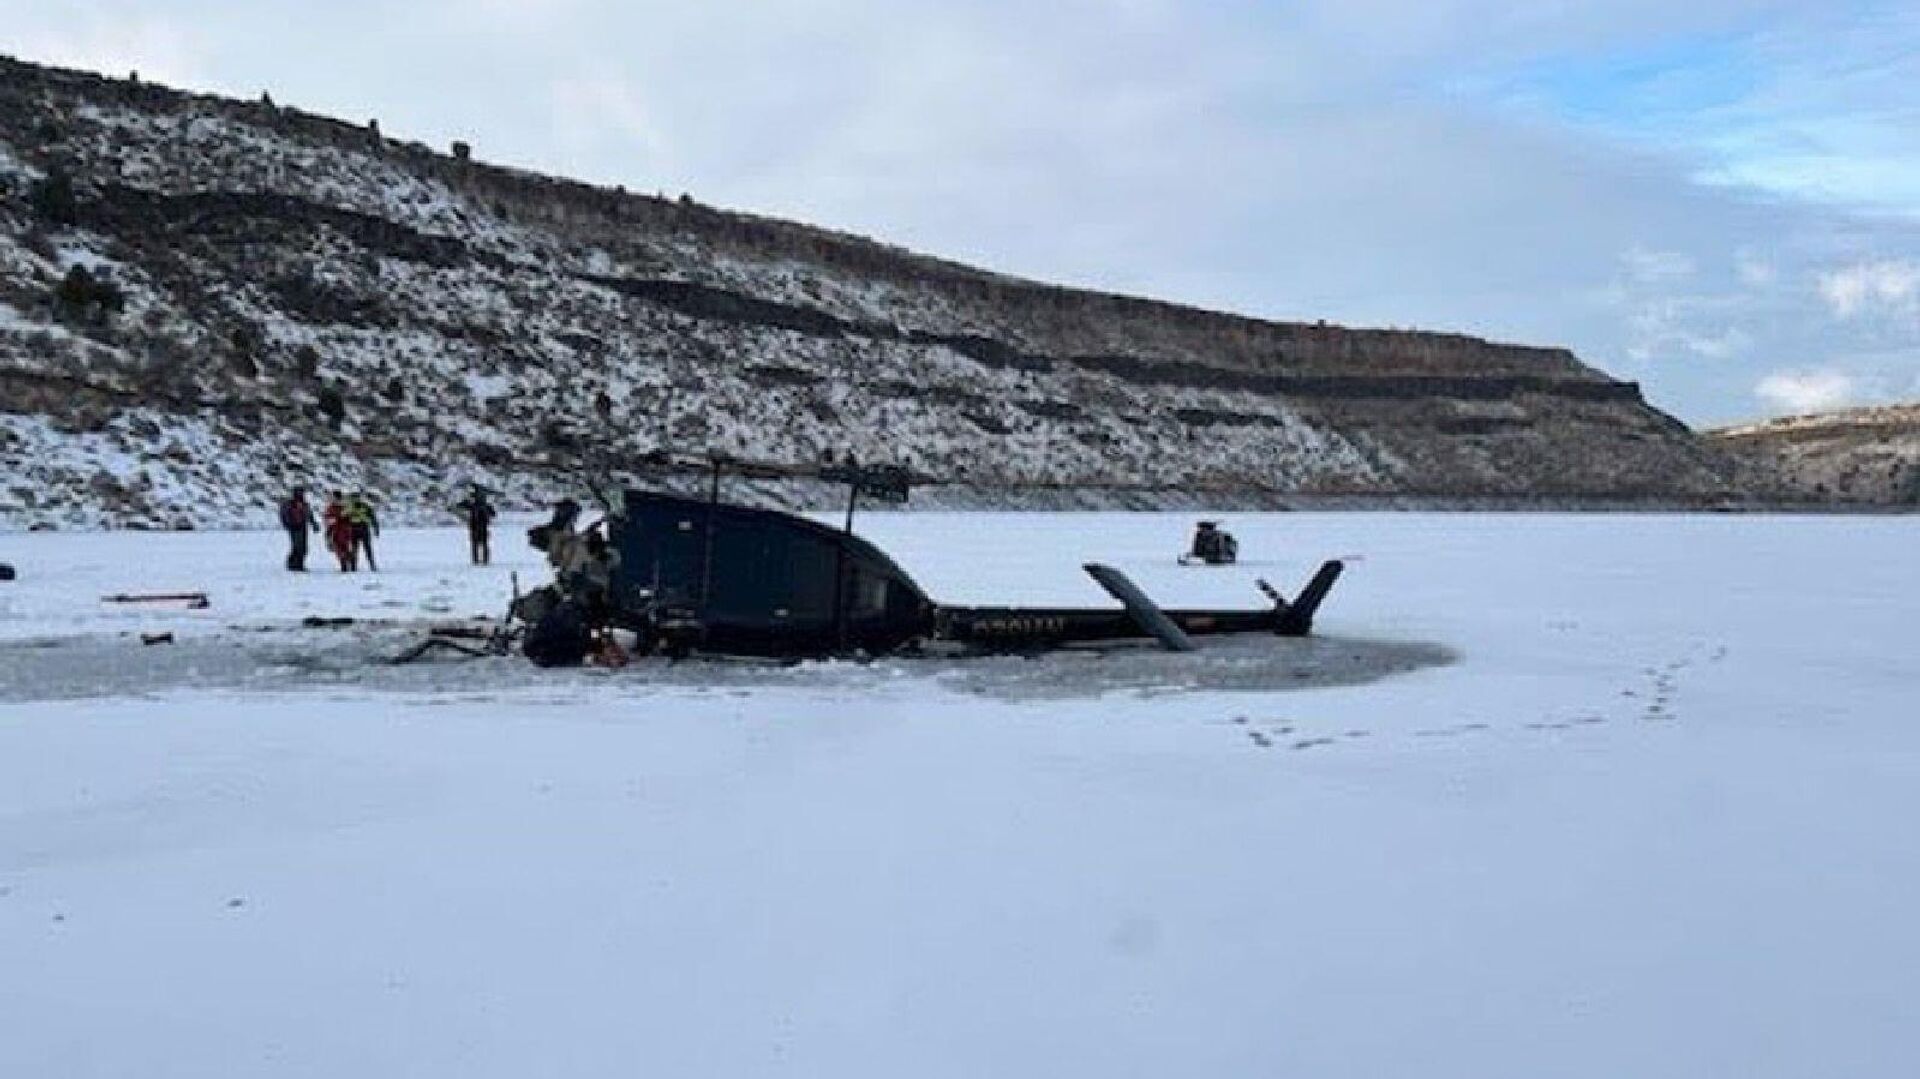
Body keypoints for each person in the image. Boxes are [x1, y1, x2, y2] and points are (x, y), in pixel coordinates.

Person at [278, 486, 319, 571]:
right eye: (299, 492)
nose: (301, 494)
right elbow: (283, 515)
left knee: (303, 547)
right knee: (297, 546)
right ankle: (293, 564)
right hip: (294, 527)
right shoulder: (289, 504)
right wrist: (288, 525)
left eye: (302, 492)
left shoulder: (304, 504)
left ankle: (299, 564)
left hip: (303, 526)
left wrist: (314, 524)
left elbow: (309, 515)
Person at [455, 486, 496, 566]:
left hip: (476, 527)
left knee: (476, 545)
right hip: (481, 527)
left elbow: (461, 505)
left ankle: (477, 560)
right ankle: (484, 560)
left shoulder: (474, 505)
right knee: (482, 544)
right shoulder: (484, 505)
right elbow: (493, 514)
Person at [347, 493, 380, 572]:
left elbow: (373, 517)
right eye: (354, 497)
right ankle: (354, 566)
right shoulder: (350, 507)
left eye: (356, 497)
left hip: (362, 528)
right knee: (356, 549)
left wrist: (376, 528)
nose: (356, 499)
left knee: (365, 548)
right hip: (355, 529)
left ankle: (370, 565)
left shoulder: (365, 506)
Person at [323, 491, 355, 572]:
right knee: (340, 548)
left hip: (341, 530)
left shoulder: (340, 507)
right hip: (337, 529)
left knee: (340, 547)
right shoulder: (339, 506)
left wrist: (335, 519)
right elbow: (327, 518)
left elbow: (349, 518)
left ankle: (346, 562)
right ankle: (348, 560)